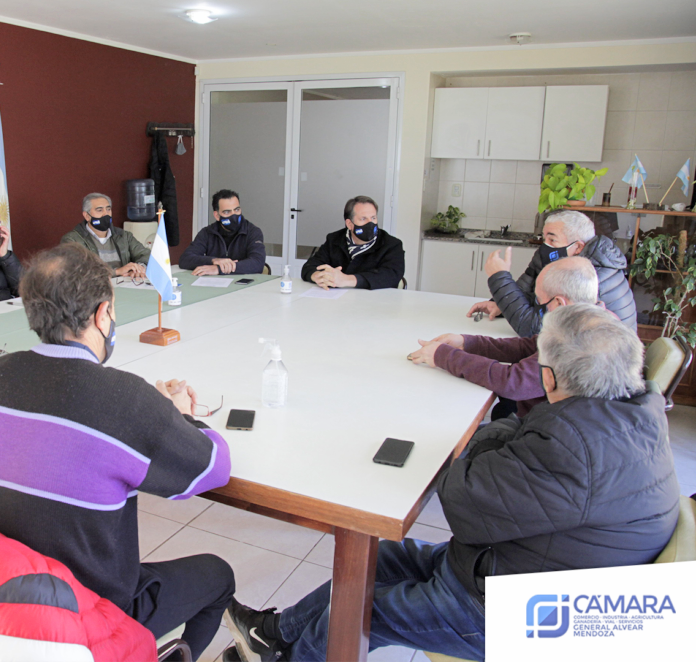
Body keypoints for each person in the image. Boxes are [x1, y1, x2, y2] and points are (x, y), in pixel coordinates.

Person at [222, 303, 679, 662]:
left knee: (367, 611)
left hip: (530, 607)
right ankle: (272, 635)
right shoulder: (633, 412)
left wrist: (495, 433)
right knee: (381, 559)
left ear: (549, 379)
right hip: (532, 562)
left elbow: (462, 501)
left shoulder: (570, 443)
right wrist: (508, 433)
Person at [0, 243, 235, 661]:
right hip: (90, 613)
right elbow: (212, 469)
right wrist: (179, 416)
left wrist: (153, 411)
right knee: (219, 576)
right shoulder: (123, 397)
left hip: (4, 601)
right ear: (102, 314)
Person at [409, 257, 599, 419]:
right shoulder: (590, 319)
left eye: (540, 303)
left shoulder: (578, 340)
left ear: (559, 302)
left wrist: (443, 356)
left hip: (543, 427)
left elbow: (513, 382)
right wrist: (467, 342)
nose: (538, 309)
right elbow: (531, 345)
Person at [467, 210, 636, 337]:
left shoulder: (590, 277)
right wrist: (500, 305)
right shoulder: (553, 257)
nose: (544, 245)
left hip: (600, 366)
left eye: (552, 239)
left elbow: (534, 329)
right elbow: (525, 291)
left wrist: (499, 277)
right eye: (544, 238)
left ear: (578, 247)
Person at [301, 195, 405, 290]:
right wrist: (316, 276)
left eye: (373, 218)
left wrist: (347, 280)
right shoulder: (334, 239)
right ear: (349, 224)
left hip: (374, 303)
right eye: (363, 219)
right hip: (337, 302)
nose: (370, 223)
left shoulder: (391, 244)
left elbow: (392, 275)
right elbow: (309, 266)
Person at [61, 192, 150, 278]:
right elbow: (76, 271)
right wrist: (116, 272)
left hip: (124, 286)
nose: (105, 214)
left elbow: (146, 255)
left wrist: (139, 267)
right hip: (92, 290)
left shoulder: (124, 236)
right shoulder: (72, 240)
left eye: (108, 209)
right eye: (99, 210)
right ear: (87, 216)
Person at [179, 189, 266, 275]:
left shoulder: (252, 232)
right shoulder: (207, 233)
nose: (234, 215)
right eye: (227, 212)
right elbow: (185, 259)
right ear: (217, 216)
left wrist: (219, 269)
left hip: (244, 284)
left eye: (236, 210)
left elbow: (257, 263)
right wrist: (214, 260)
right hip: (213, 284)